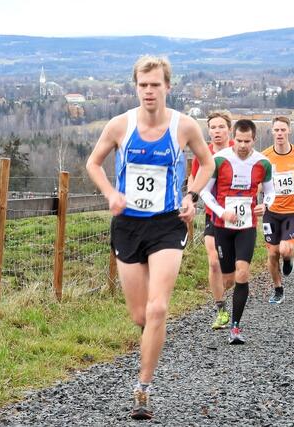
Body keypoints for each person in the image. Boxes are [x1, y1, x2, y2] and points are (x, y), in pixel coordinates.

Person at [85, 55, 214, 420]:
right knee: (140, 313)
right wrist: (110, 194)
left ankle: (143, 389)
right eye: (143, 85)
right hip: (127, 225)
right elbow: (93, 163)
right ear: (135, 87)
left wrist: (191, 196)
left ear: (167, 87)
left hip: (166, 224)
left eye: (155, 85)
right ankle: (152, 337)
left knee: (158, 308)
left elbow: (208, 163)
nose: (149, 91)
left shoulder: (183, 126)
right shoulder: (119, 125)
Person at [200, 119, 275, 344]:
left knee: (243, 272)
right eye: (239, 140)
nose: (243, 145)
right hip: (222, 226)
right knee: (228, 279)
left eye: (248, 141)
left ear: (254, 139)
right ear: (234, 137)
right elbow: (204, 192)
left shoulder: (263, 162)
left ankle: (235, 327)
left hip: (247, 225)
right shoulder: (219, 160)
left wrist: (266, 204)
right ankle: (220, 305)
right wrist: (221, 212)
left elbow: (271, 192)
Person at [187, 110, 234, 329]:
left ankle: (230, 285)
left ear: (229, 129)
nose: (217, 131)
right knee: (213, 261)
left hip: (237, 216)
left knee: (230, 274)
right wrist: (190, 198)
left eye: (221, 127)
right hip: (212, 214)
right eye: (213, 127)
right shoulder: (203, 154)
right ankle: (221, 310)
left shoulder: (239, 149)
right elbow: (194, 178)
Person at [261, 116, 294, 303]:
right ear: (272, 132)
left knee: (285, 250)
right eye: (276, 130)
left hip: (292, 210)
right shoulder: (265, 155)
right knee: (272, 252)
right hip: (270, 211)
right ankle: (278, 289)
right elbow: (258, 180)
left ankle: (289, 259)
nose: (280, 133)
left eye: (283, 130)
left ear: (289, 131)